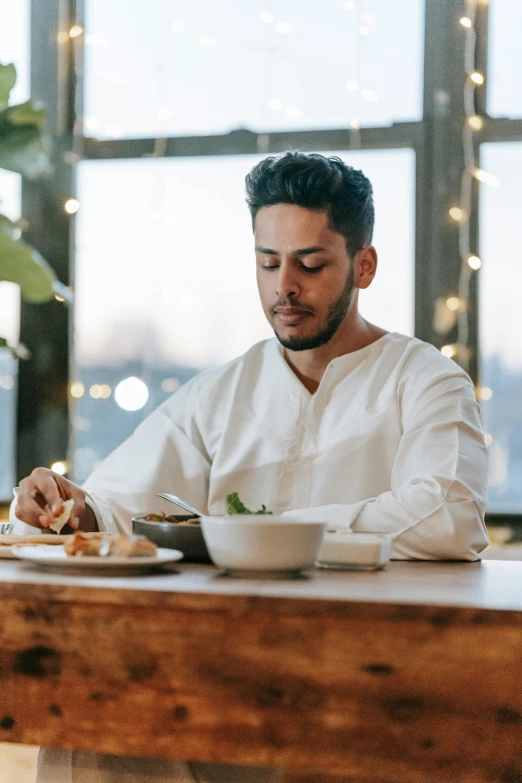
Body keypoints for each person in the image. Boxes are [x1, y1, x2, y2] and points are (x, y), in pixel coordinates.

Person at [11, 151, 489, 782]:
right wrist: (70, 508)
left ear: (363, 266)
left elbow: (448, 514)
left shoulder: (426, 379)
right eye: (268, 263)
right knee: (88, 715)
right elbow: (123, 500)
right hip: (220, 663)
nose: (283, 287)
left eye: (310, 264)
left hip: (368, 674)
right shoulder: (223, 391)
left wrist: (267, 534)